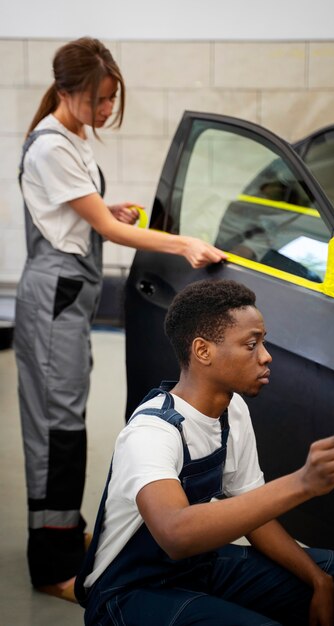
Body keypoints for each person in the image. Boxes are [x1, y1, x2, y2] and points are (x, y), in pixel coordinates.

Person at [13, 37, 226, 599]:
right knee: (56, 431)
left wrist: (107, 207)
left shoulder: (73, 136)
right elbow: (104, 233)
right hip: (55, 293)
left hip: (71, 294)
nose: (107, 111)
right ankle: (52, 565)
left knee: (68, 420)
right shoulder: (48, 146)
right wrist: (181, 244)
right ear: (67, 92)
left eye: (112, 100)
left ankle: (68, 531)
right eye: (100, 100)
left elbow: (79, 213)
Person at [75, 278, 334, 625]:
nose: (266, 356)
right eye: (251, 344)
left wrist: (320, 581)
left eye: (264, 342)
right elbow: (176, 534)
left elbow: (254, 512)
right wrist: (302, 483)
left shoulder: (234, 410)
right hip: (128, 591)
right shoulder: (152, 432)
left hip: (197, 567)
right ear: (203, 351)